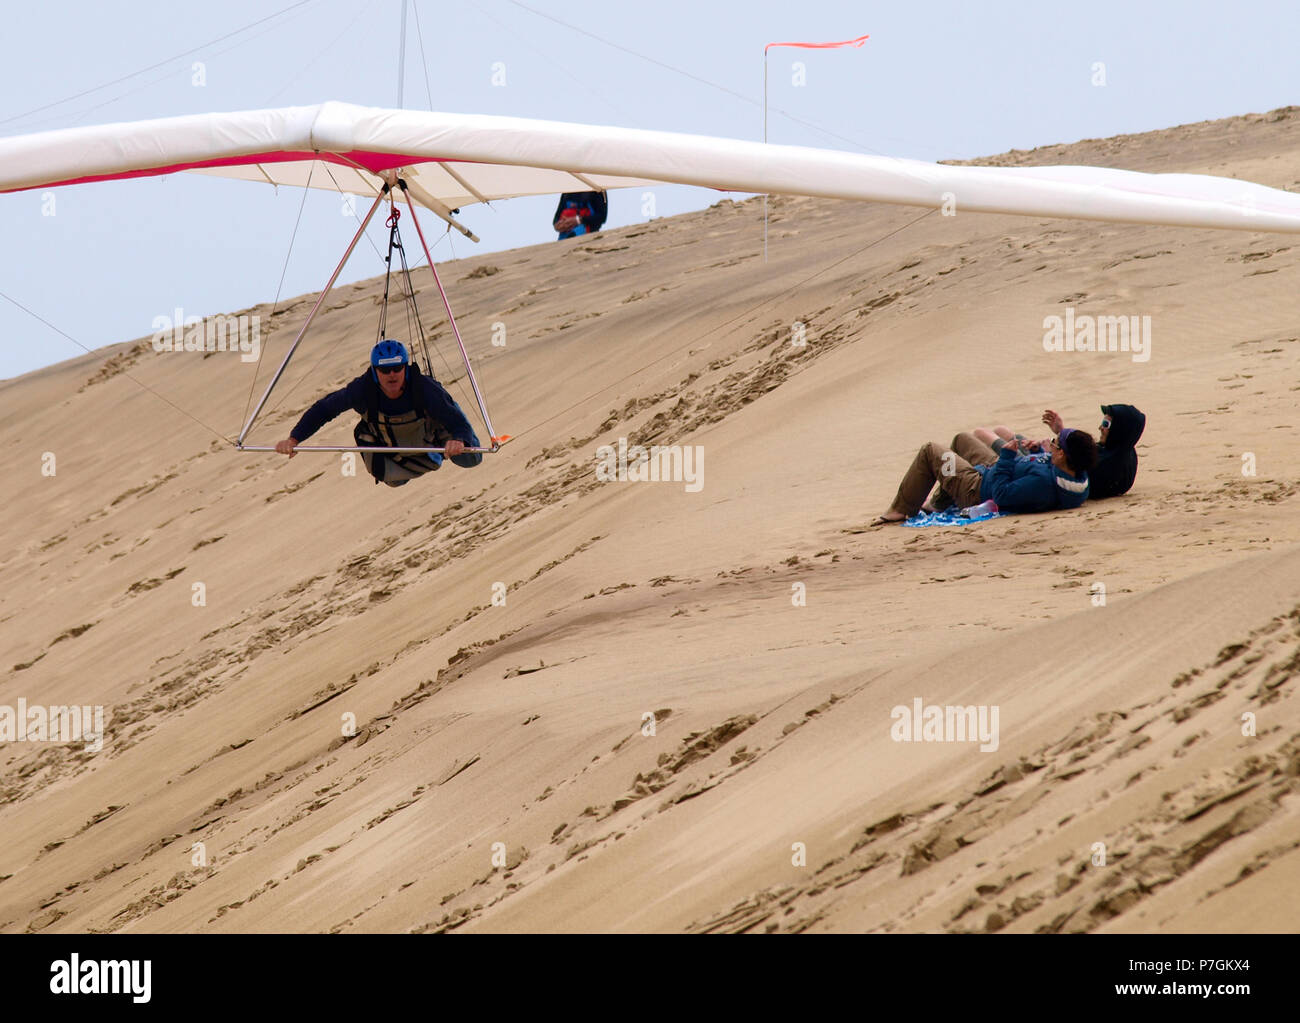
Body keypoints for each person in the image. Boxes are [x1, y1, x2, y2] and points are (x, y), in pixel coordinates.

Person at [274, 339, 482, 486]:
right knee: (394, 480)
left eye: (397, 368)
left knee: (471, 459)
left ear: (405, 368)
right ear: (375, 371)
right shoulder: (363, 389)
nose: (391, 375)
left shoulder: (423, 387)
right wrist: (294, 439)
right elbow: (324, 409)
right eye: (384, 370)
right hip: (392, 443)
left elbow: (455, 419)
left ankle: (447, 453)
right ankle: (409, 466)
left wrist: (460, 440)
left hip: (429, 438)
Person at [873, 428, 1095, 524]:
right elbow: (1043, 467)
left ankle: (900, 510)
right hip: (997, 470)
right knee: (962, 439)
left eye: (1055, 443)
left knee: (930, 451)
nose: (1052, 443)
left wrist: (1007, 457)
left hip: (975, 489)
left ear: (1063, 454)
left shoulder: (1042, 484)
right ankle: (940, 502)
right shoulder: (1076, 478)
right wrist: (1038, 451)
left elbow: (1001, 495)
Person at [972, 403, 1145, 498]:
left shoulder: (1106, 464)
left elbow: (1065, 471)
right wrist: (1060, 433)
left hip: (1045, 467)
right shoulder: (1123, 452)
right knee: (1002, 431)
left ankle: (977, 473)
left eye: (1106, 424)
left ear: (1120, 429)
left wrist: (1045, 452)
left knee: (980, 433)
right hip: (1049, 460)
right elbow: (1079, 454)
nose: (1100, 427)